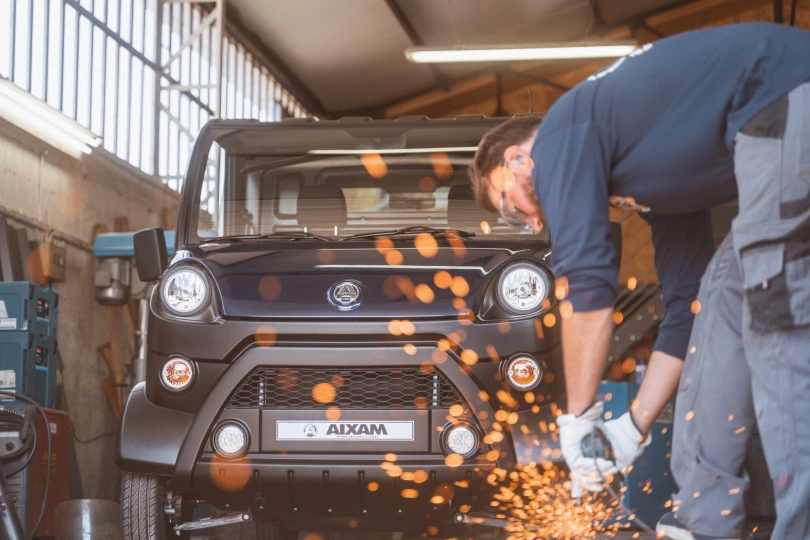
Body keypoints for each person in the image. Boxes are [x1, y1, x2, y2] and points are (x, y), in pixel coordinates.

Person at [468, 22, 810, 540]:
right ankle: (703, 522)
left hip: (784, 93)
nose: (532, 225)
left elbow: (587, 293)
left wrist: (577, 422)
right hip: (773, 113)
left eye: (508, 207)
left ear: (517, 160)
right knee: (717, 303)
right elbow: (685, 312)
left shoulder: (559, 137)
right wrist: (631, 428)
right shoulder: (653, 184)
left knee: (772, 310)